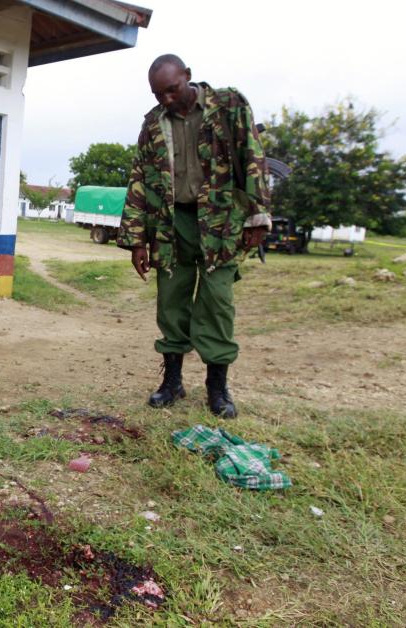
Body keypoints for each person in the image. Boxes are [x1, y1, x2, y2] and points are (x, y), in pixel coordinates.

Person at [116, 54, 271, 418]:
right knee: (171, 301)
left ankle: (217, 389)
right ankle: (172, 383)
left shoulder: (229, 105)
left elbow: (253, 157)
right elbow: (139, 179)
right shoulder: (153, 123)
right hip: (172, 224)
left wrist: (258, 216)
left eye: (172, 89)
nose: (167, 99)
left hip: (220, 221)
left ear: (188, 76)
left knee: (217, 301)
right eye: (159, 94)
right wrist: (138, 240)